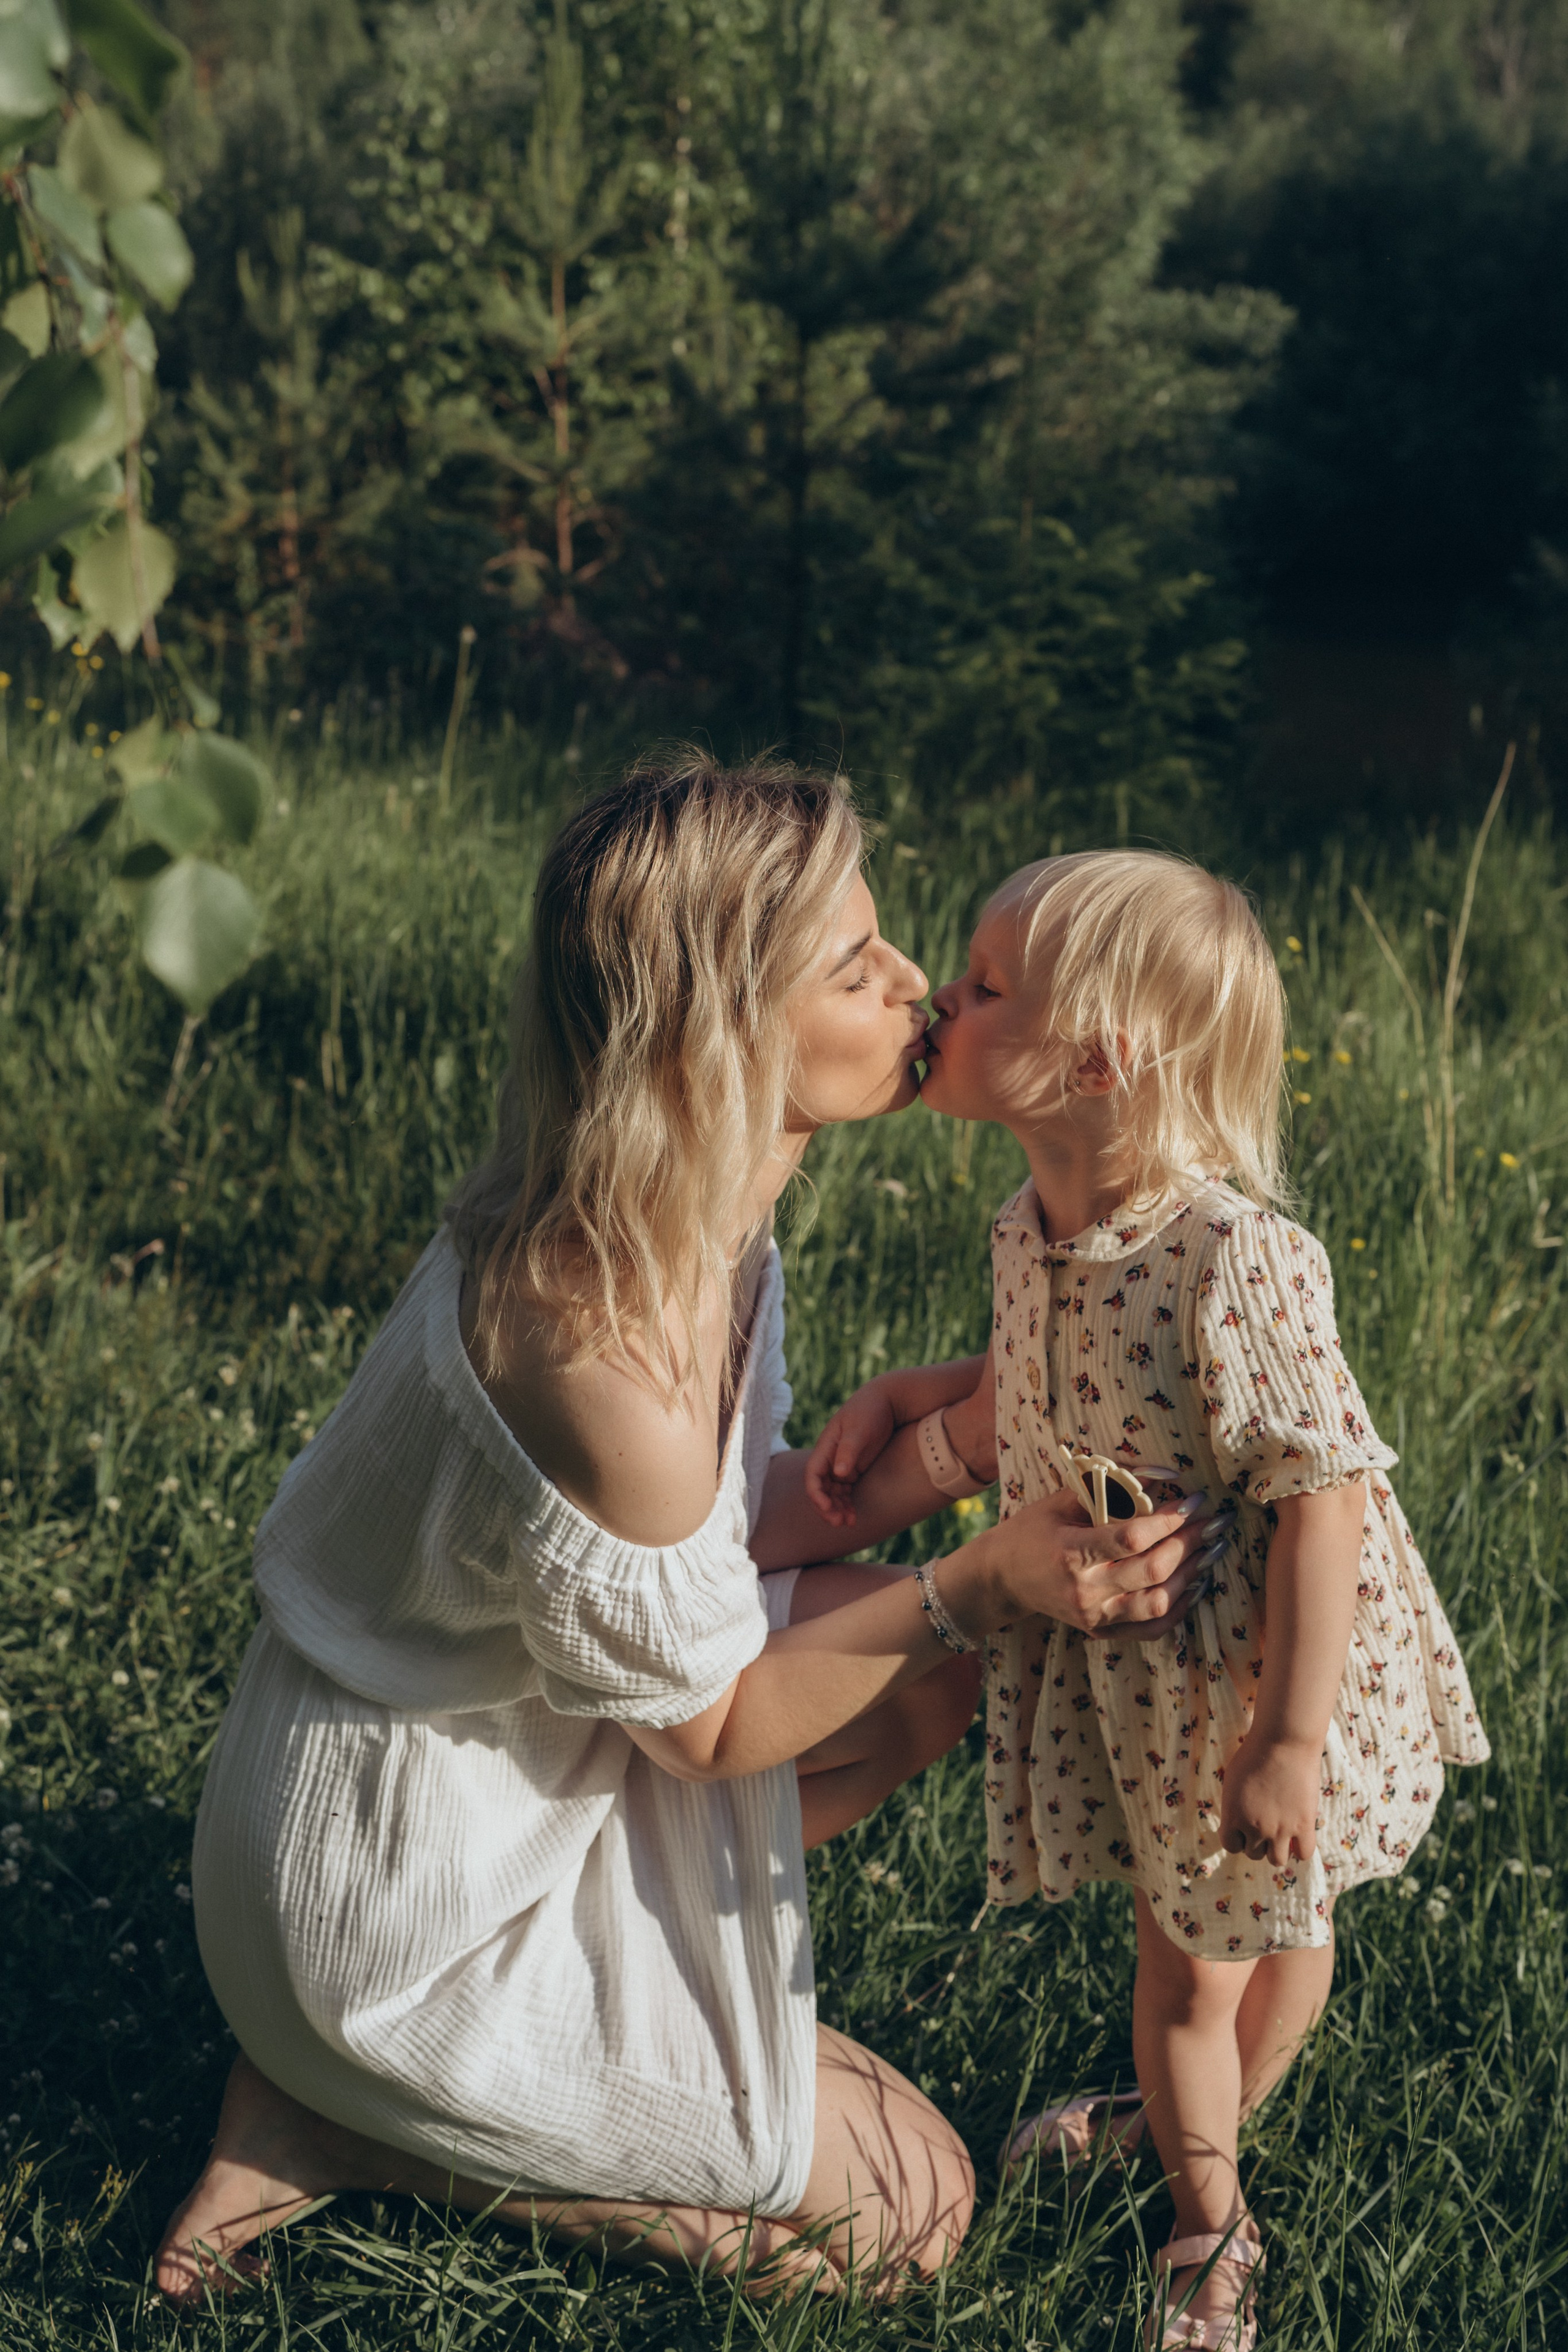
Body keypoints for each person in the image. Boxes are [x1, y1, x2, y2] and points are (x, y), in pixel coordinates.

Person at [156, 767, 1215, 2306]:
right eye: (853, 971)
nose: (912, 983)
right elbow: (712, 1724)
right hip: (395, 1901)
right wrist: (973, 1578)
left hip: (519, 1767)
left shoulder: (682, 1221)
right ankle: (357, 2123)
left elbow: (706, 1548)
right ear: (713, 1040)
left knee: (921, 1681)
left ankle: (543, 2043)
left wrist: (952, 1449)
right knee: (907, 2222)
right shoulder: (595, 1346)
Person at [804, 849, 1489, 2348]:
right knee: (1241, 1943)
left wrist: (1289, 1739)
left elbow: (1319, 1494)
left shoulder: (1230, 1257)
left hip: (1251, 1675)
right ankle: (1182, 2138)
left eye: (983, 989)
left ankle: (1204, 2229)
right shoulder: (1026, 1227)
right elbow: (1025, 1396)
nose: (939, 995)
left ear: (1096, 1056)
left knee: (1217, 1967)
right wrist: (909, 1399)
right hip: (1148, 1672)